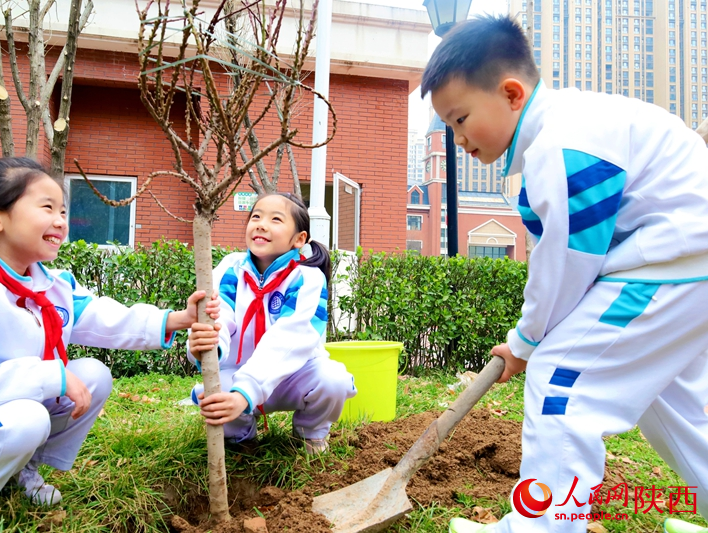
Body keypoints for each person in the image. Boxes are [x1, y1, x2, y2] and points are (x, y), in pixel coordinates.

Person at [420, 15, 708, 533]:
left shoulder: (562, 143)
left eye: (461, 118)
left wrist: (527, 341)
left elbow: (568, 262)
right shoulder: (568, 127)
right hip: (683, 266)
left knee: (561, 381)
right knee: (675, 407)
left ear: (511, 93)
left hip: (670, 262)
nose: (458, 137)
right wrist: (526, 338)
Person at [0, 157, 220, 533]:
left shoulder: (46, 283)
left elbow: (103, 317)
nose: (60, 220)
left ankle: (19, 469)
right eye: (46, 208)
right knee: (28, 417)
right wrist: (48, 376)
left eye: (63, 210)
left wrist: (174, 319)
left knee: (91, 376)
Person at [187, 192, 356, 454]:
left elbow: (291, 338)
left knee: (333, 380)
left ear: (299, 239)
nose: (261, 224)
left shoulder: (307, 279)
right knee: (214, 393)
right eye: (256, 216)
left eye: (276, 219)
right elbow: (218, 315)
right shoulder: (231, 268)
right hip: (238, 375)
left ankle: (308, 436)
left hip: (294, 377)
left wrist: (246, 391)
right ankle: (240, 440)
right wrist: (208, 346)